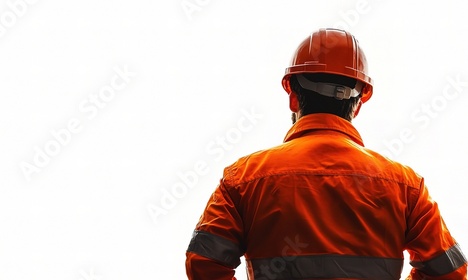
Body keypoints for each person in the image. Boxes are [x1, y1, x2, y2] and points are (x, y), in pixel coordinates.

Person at [185, 28, 467, 279]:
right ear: (358, 103)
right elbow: (451, 273)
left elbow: (203, 264)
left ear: (293, 95)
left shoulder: (243, 178)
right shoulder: (406, 187)